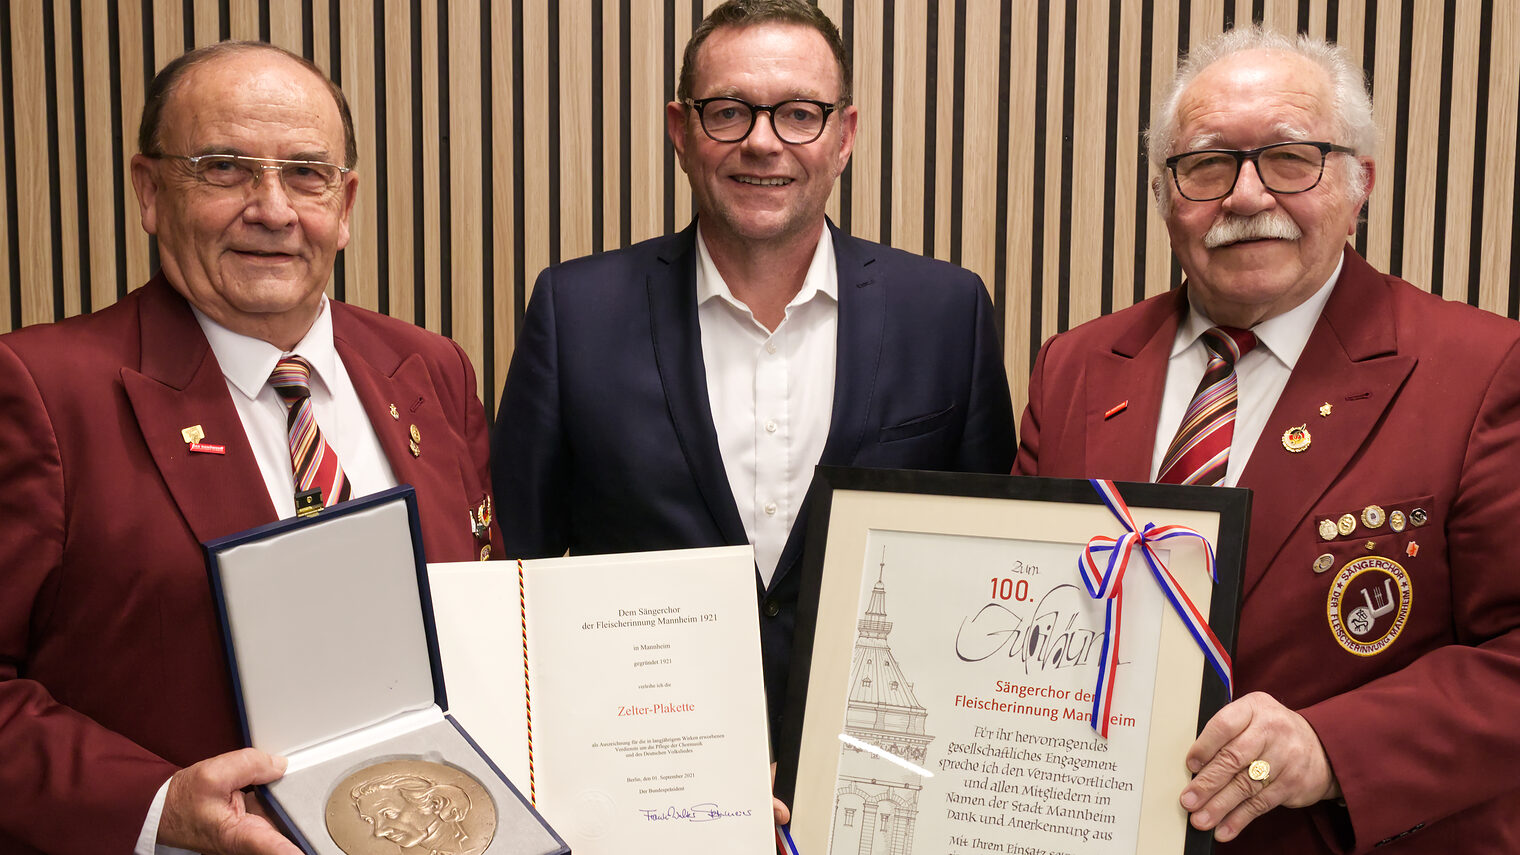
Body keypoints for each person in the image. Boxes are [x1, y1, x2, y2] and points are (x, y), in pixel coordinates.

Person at [1016, 25, 1520, 854]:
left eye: (1292, 158)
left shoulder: (1482, 371)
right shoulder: (1075, 367)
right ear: (1164, 193)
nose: (1246, 196)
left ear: (1361, 183)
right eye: (1207, 164)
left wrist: (1332, 748)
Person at [0, 42, 500, 855]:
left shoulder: (432, 370)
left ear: (345, 203)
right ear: (149, 191)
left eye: (306, 174)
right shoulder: (42, 390)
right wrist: (159, 805)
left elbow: (486, 629)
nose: (272, 209)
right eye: (225, 168)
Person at [491, 0, 1015, 743]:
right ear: (681, 132)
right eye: (729, 111)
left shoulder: (947, 312)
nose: (763, 143)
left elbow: (985, 573)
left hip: (875, 776)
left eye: (799, 114)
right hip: (650, 779)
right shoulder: (574, 313)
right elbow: (519, 572)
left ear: (844, 136)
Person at [352, 774, 485, 855]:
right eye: (370, 820)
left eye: (389, 813)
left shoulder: (469, 845)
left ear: (435, 804)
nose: (379, 832)